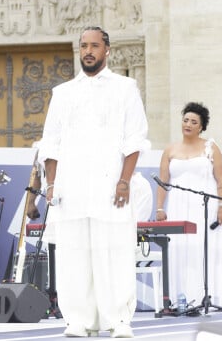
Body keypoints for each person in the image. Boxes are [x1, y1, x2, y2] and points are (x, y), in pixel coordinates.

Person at [37, 26, 149, 338]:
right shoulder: (63, 93)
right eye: (84, 45)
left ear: (107, 50)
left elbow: (135, 138)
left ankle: (118, 321)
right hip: (70, 189)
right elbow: (51, 144)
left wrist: (124, 181)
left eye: (94, 46)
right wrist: (51, 185)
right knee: (73, 256)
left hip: (110, 188)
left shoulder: (126, 88)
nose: (88, 51)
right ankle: (77, 320)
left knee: (114, 252)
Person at [155, 102, 222, 310]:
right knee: (179, 249)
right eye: (185, 120)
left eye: (194, 122)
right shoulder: (170, 149)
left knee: (203, 250)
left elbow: (221, 181)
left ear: (201, 127)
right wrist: (159, 208)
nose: (188, 124)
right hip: (177, 207)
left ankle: (208, 297)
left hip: (204, 208)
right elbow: (163, 182)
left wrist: (221, 207)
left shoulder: (211, 148)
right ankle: (180, 299)